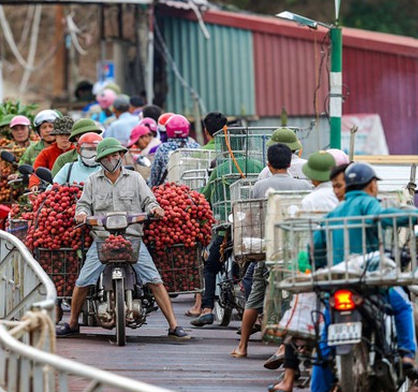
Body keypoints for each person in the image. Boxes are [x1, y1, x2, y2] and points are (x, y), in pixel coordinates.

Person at [304, 162, 418, 392]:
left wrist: (321, 267)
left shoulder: (333, 214)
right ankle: (407, 355)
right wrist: (416, 216)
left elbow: (315, 248)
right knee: (403, 306)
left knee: (326, 339)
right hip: (368, 282)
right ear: (372, 185)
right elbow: (385, 218)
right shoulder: (368, 203)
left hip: (338, 284)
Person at [55, 137, 190, 339]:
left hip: (132, 239)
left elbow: (149, 200)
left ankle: (173, 325)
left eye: (115, 154)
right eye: (107, 156)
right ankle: (73, 322)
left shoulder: (135, 179)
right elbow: (83, 205)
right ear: (100, 160)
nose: (112, 159)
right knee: (83, 281)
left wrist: (154, 209)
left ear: (120, 156)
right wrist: (81, 214)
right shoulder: (93, 181)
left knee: (154, 280)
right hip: (102, 240)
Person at [230, 144, 311, 358]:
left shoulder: (260, 185)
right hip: (294, 252)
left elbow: (253, 216)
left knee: (255, 297)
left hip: (268, 251)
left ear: (268, 164)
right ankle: (284, 346)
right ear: (290, 164)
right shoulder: (304, 186)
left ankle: (243, 346)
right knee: (290, 299)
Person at [267, 150, 337, 392]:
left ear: (313, 178)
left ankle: (288, 378)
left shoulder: (310, 200)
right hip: (344, 268)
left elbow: (302, 239)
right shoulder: (343, 198)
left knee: (295, 321)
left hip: (314, 269)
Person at [188, 151, 264, 324]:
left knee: (210, 267)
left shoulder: (220, 169)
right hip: (249, 228)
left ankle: (207, 309)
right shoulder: (259, 166)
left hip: (226, 229)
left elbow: (204, 196)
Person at [149, 114, 199, 187]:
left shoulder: (163, 148)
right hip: (194, 189)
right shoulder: (196, 147)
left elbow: (155, 175)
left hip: (169, 192)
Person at [30, 116, 74, 188]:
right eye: (61, 134)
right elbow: (36, 171)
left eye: (67, 134)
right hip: (52, 190)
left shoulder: (78, 152)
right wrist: (34, 184)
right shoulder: (46, 153)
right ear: (55, 136)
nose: (64, 138)